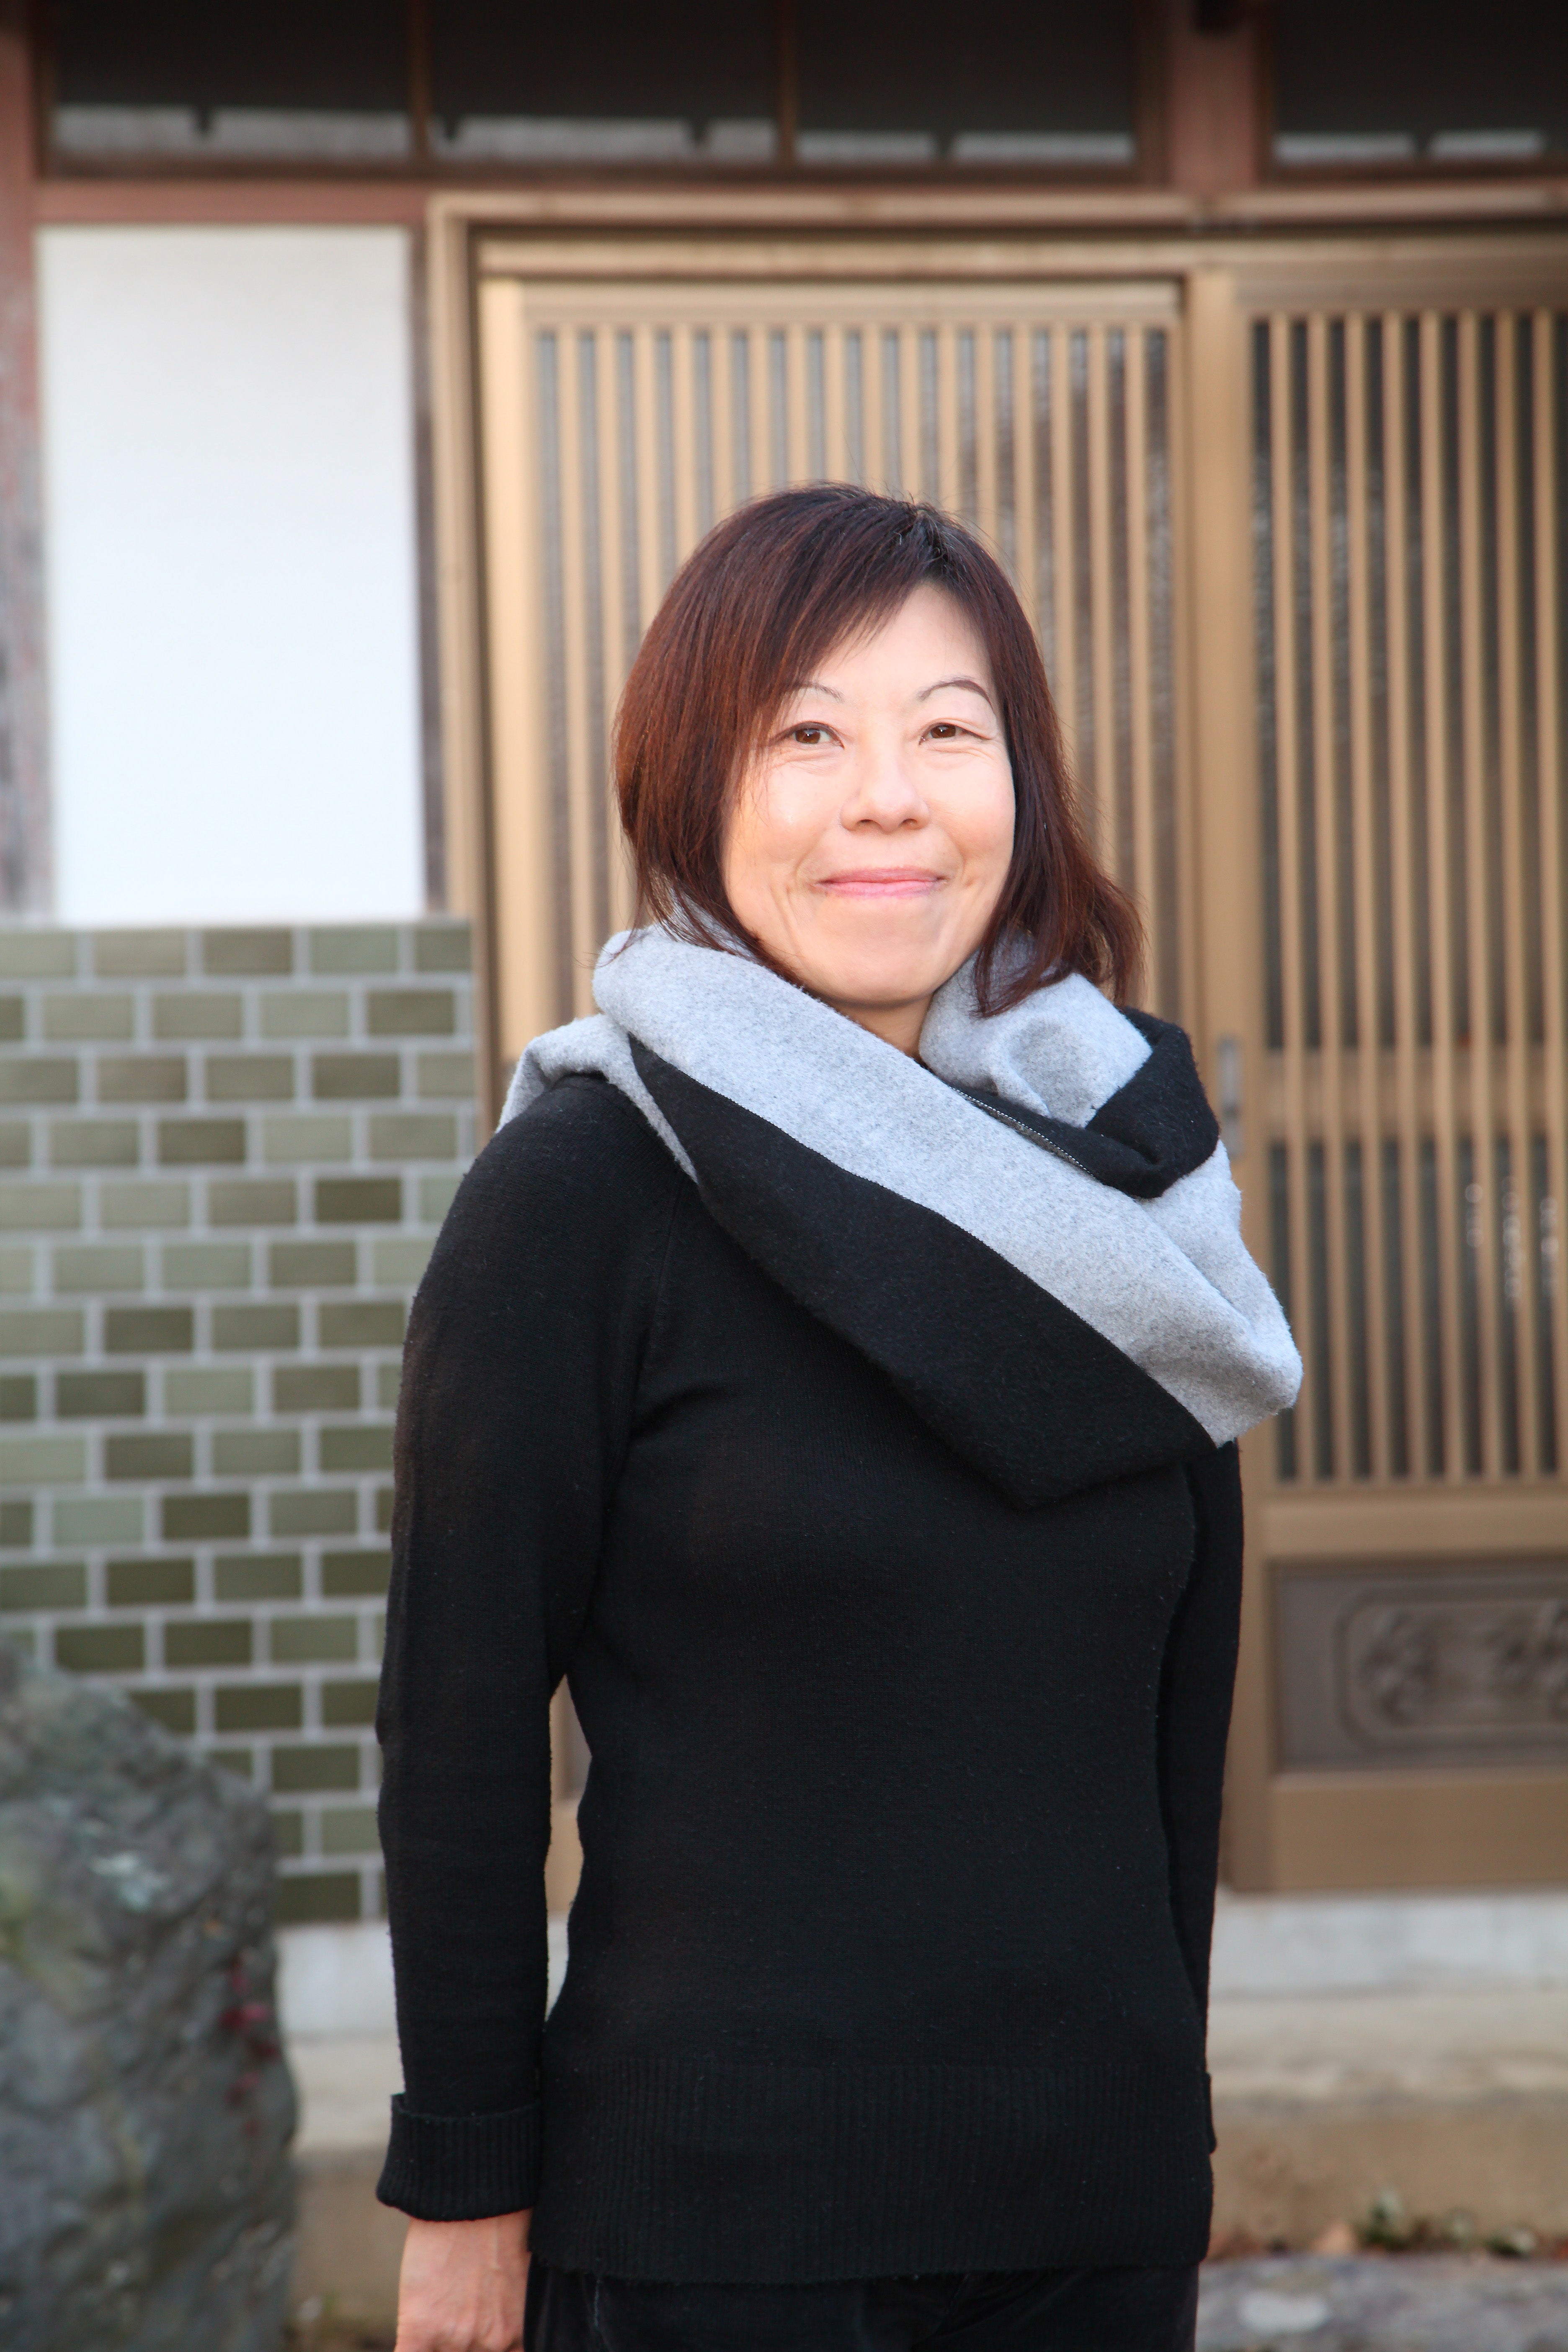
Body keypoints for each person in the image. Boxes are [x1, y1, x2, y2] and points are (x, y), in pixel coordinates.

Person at [377, 485, 1301, 2352]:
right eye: (806, 735)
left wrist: (1165, 2138)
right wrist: (466, 2187)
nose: (888, 797)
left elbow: (1173, 1721)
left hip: (1090, 2222)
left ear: (1020, 785)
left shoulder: (1131, 1184)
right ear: (696, 791)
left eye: (948, 730)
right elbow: (457, 1728)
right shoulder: (585, 1193)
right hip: (717, 2233)